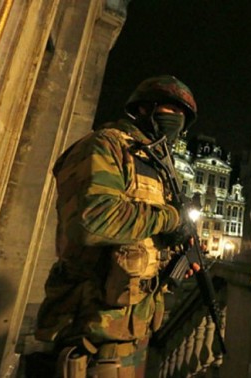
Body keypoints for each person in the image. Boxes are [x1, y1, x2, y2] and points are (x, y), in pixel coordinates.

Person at [35, 75, 199, 377]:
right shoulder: (105, 145)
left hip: (133, 327)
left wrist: (173, 259)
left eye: (182, 116)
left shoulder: (154, 163)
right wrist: (171, 219)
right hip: (90, 329)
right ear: (142, 109)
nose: (175, 120)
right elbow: (93, 221)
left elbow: (141, 236)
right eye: (168, 109)